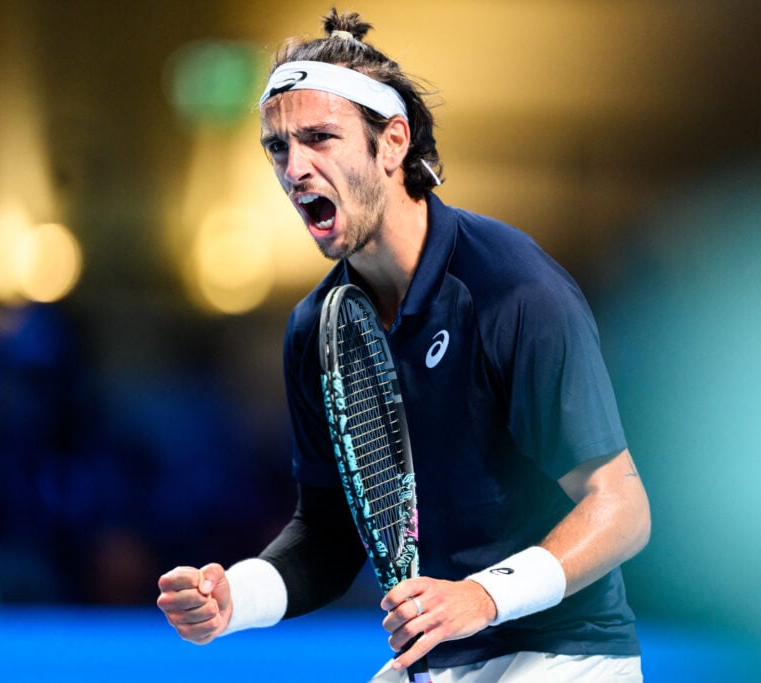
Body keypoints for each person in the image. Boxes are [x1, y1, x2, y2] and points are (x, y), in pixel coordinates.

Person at [157, 9, 651, 682]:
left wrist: (483, 594)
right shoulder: (317, 329)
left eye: (319, 138)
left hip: (567, 654)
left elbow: (621, 507)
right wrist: (235, 596)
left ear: (393, 142)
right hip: (438, 657)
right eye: (277, 147)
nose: (294, 168)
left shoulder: (513, 289)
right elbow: (328, 539)